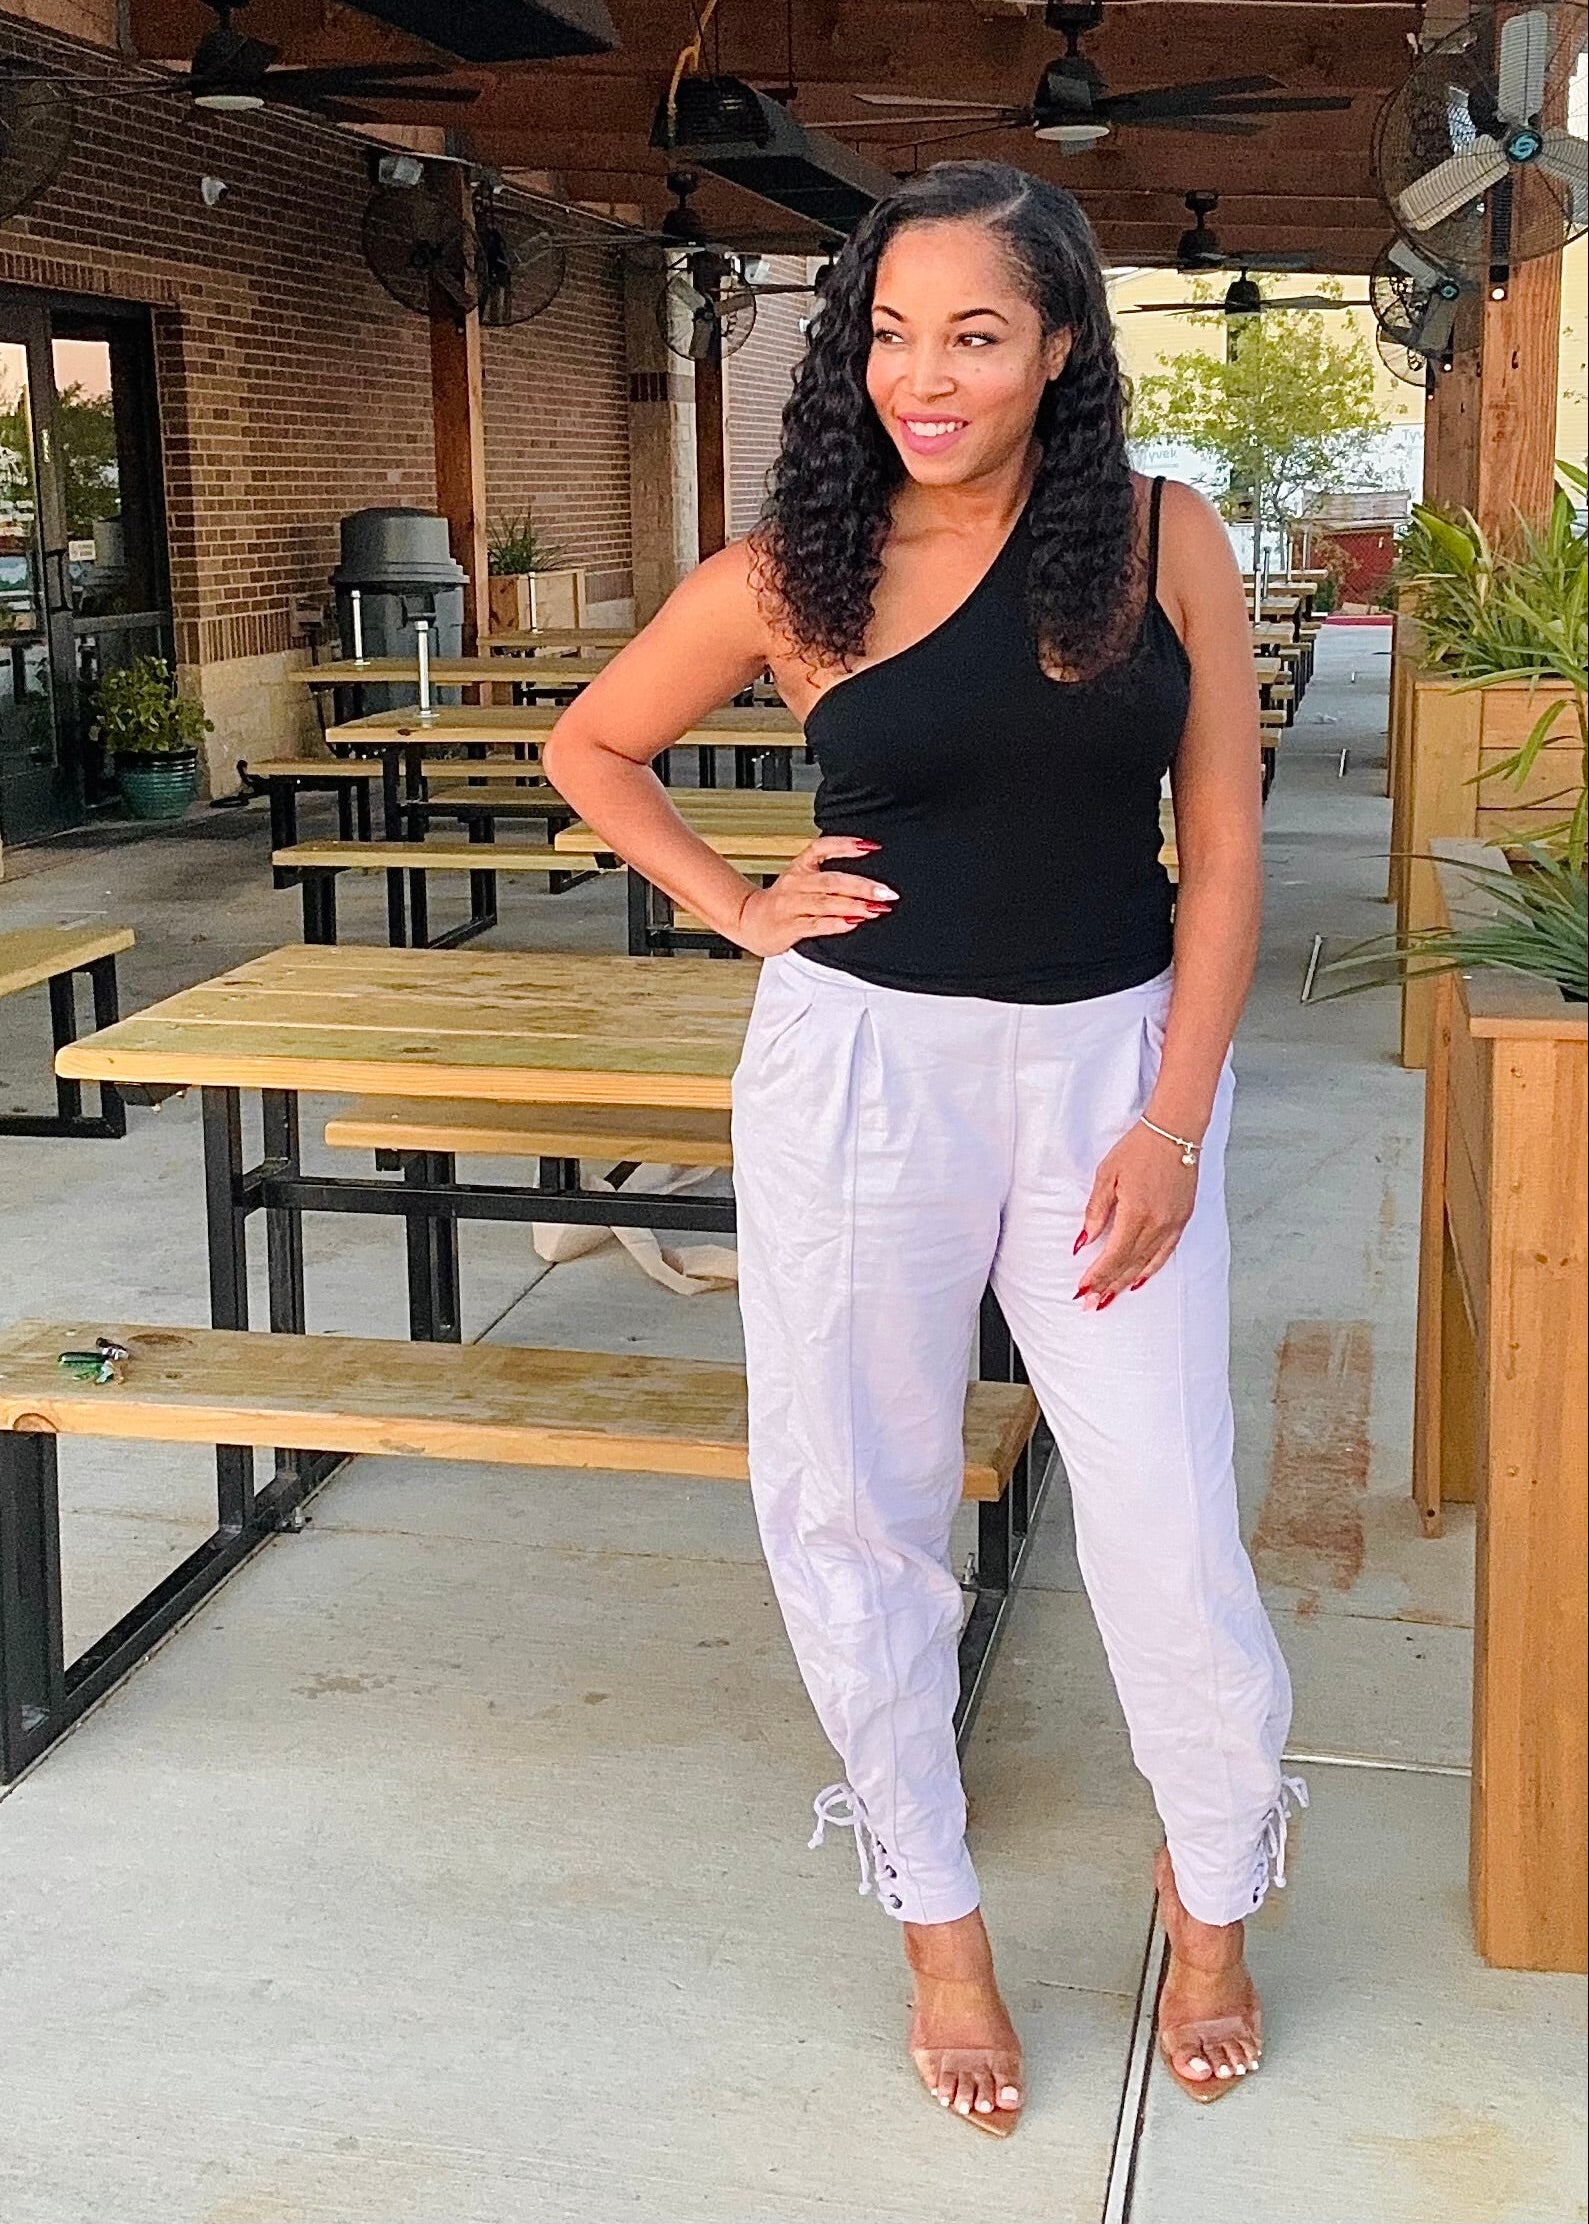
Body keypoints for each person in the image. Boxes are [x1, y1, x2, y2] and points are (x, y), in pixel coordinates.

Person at [543, 158, 1301, 2138]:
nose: (924, 377)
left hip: (1108, 1075)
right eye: (888, 334)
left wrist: (1172, 1114)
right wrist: (733, 902)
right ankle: (935, 1915)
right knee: (856, 1506)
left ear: (1059, 346)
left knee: (1164, 1512)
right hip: (860, 1076)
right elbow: (591, 743)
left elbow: (1221, 849)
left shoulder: (1163, 540)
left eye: (974, 333)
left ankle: (1213, 1881)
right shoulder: (793, 566)